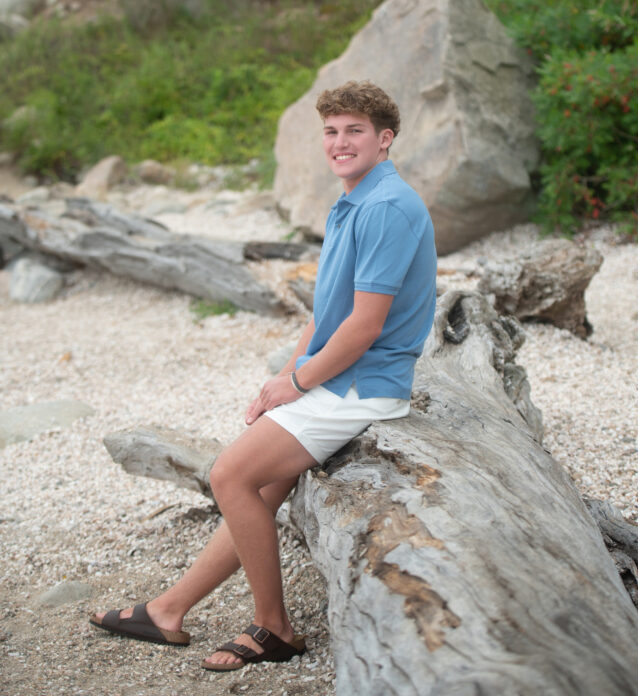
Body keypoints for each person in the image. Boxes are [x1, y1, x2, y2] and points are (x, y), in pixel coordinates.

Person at [91, 79, 437, 673]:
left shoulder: (385, 206)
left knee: (230, 474)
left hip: (364, 384)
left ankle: (274, 628)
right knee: (257, 483)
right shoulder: (353, 197)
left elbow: (362, 327)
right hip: (337, 376)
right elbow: (325, 314)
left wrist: (298, 385)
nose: (340, 142)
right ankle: (169, 611)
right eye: (331, 131)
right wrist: (284, 376)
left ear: (385, 139)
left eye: (354, 130)